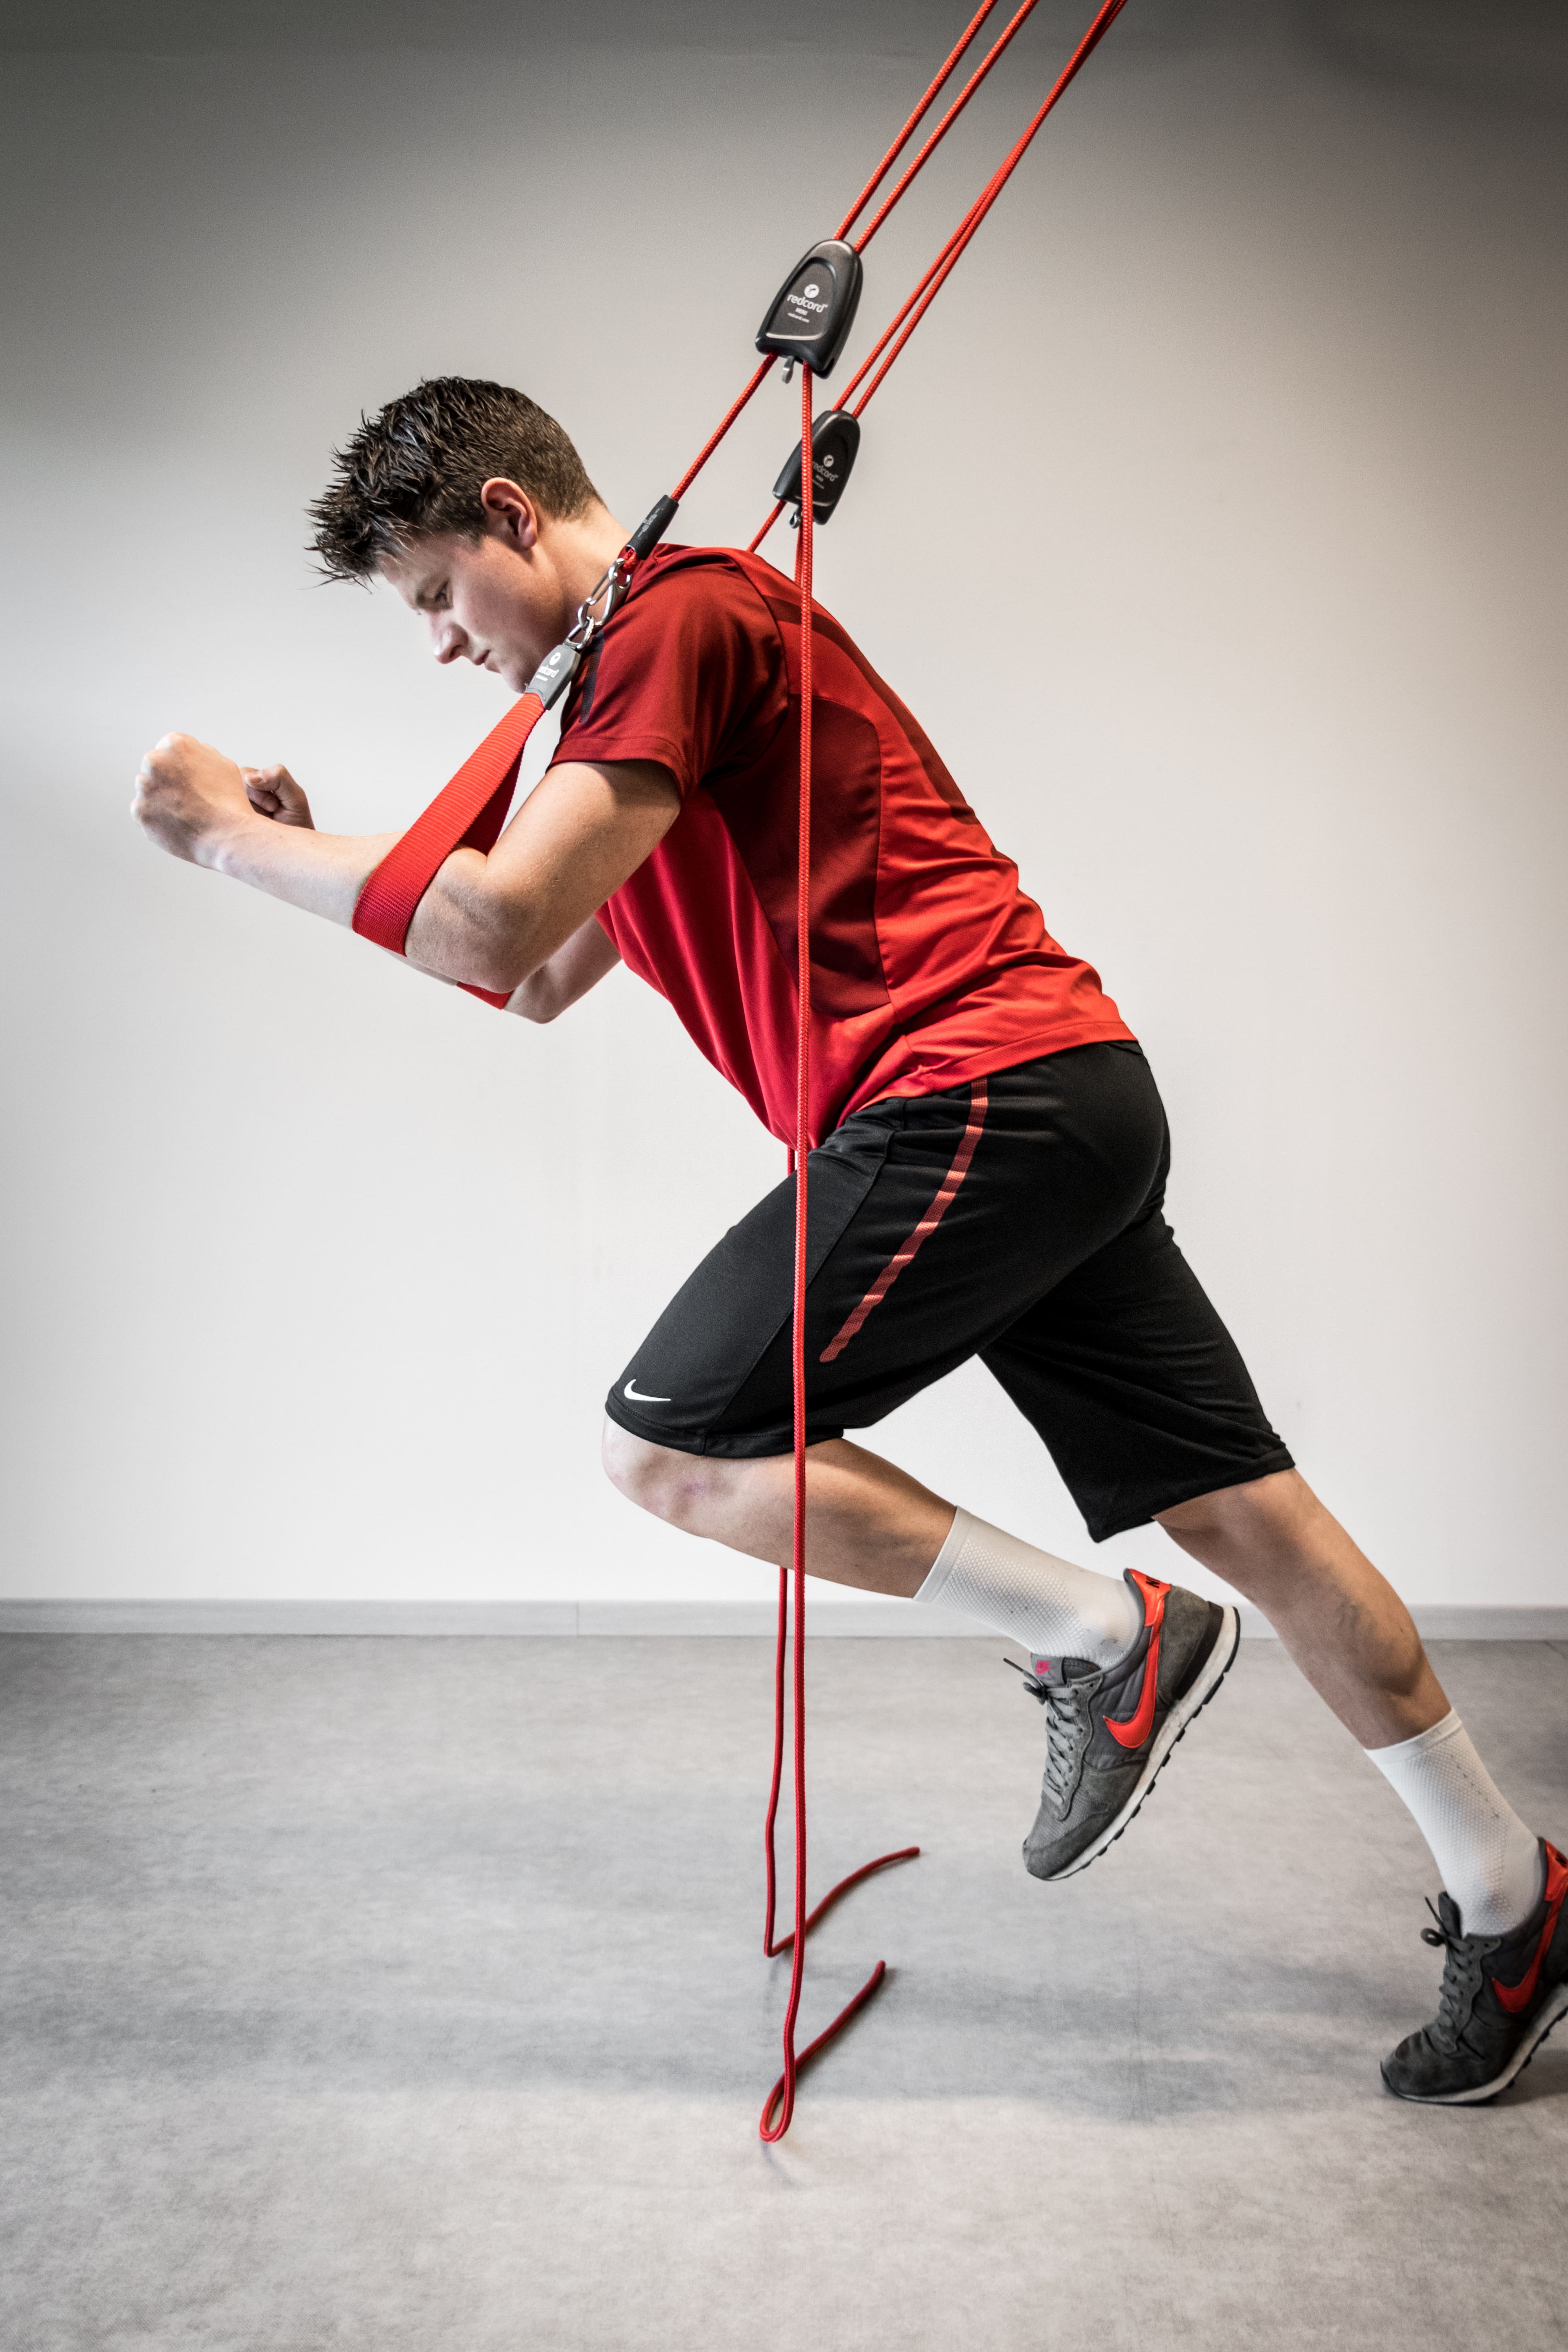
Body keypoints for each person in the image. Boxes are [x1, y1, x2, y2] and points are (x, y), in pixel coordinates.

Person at [132, 375, 1564, 2104]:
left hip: (967, 1092)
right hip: (1057, 1094)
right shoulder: (617, 710)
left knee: (666, 1445)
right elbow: (515, 968)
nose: (441, 644)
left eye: (438, 596)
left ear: (512, 515)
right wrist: (295, 845)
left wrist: (226, 842)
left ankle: (1097, 1639)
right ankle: (1514, 1897)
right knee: (1237, 1512)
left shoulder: (679, 615)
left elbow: (487, 914)